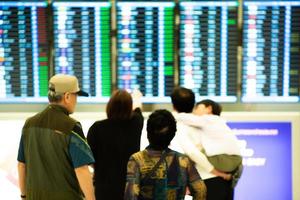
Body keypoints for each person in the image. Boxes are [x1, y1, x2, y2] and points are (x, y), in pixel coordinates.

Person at [17, 74, 95, 200]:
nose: (76, 100)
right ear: (67, 96)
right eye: (76, 96)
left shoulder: (29, 124)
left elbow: (21, 165)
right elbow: (81, 169)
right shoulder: (71, 126)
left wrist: (24, 195)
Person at [124, 109, 207, 200]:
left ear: (148, 132)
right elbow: (201, 190)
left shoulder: (137, 159)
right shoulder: (183, 160)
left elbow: (131, 195)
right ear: (173, 134)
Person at [170, 87, 233, 200]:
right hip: (224, 179)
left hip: (207, 180)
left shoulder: (179, 125)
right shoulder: (211, 122)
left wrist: (215, 171)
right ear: (194, 104)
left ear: (173, 106)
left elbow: (192, 152)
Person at [87, 89, 144, 200]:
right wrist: (137, 96)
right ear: (129, 108)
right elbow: (138, 109)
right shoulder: (136, 124)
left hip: (104, 186)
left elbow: (89, 159)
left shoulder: (97, 128)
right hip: (130, 187)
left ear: (109, 106)